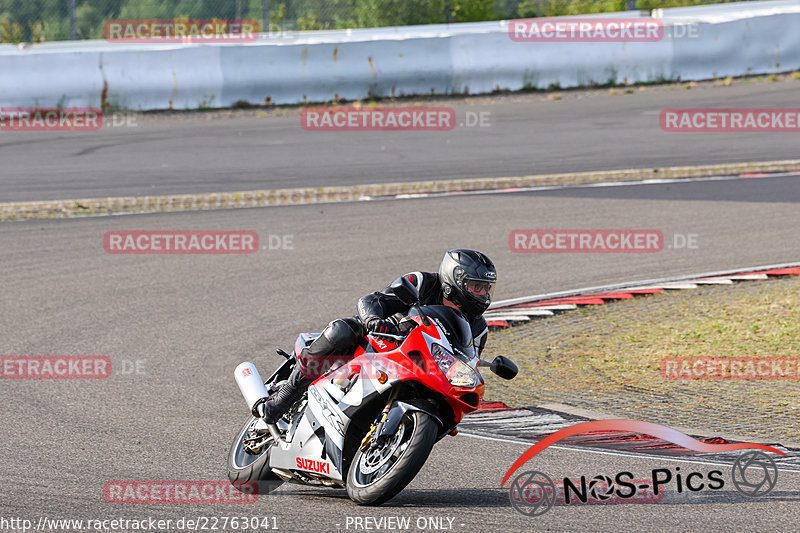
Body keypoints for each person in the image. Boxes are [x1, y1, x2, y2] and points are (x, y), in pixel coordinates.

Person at [260, 249, 497, 423]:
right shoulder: (423, 283)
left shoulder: (479, 327)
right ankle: (283, 399)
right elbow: (374, 300)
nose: (483, 294)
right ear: (454, 280)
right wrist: (374, 320)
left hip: (422, 365)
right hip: (384, 341)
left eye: (486, 288)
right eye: (476, 287)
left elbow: (468, 359)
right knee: (343, 330)